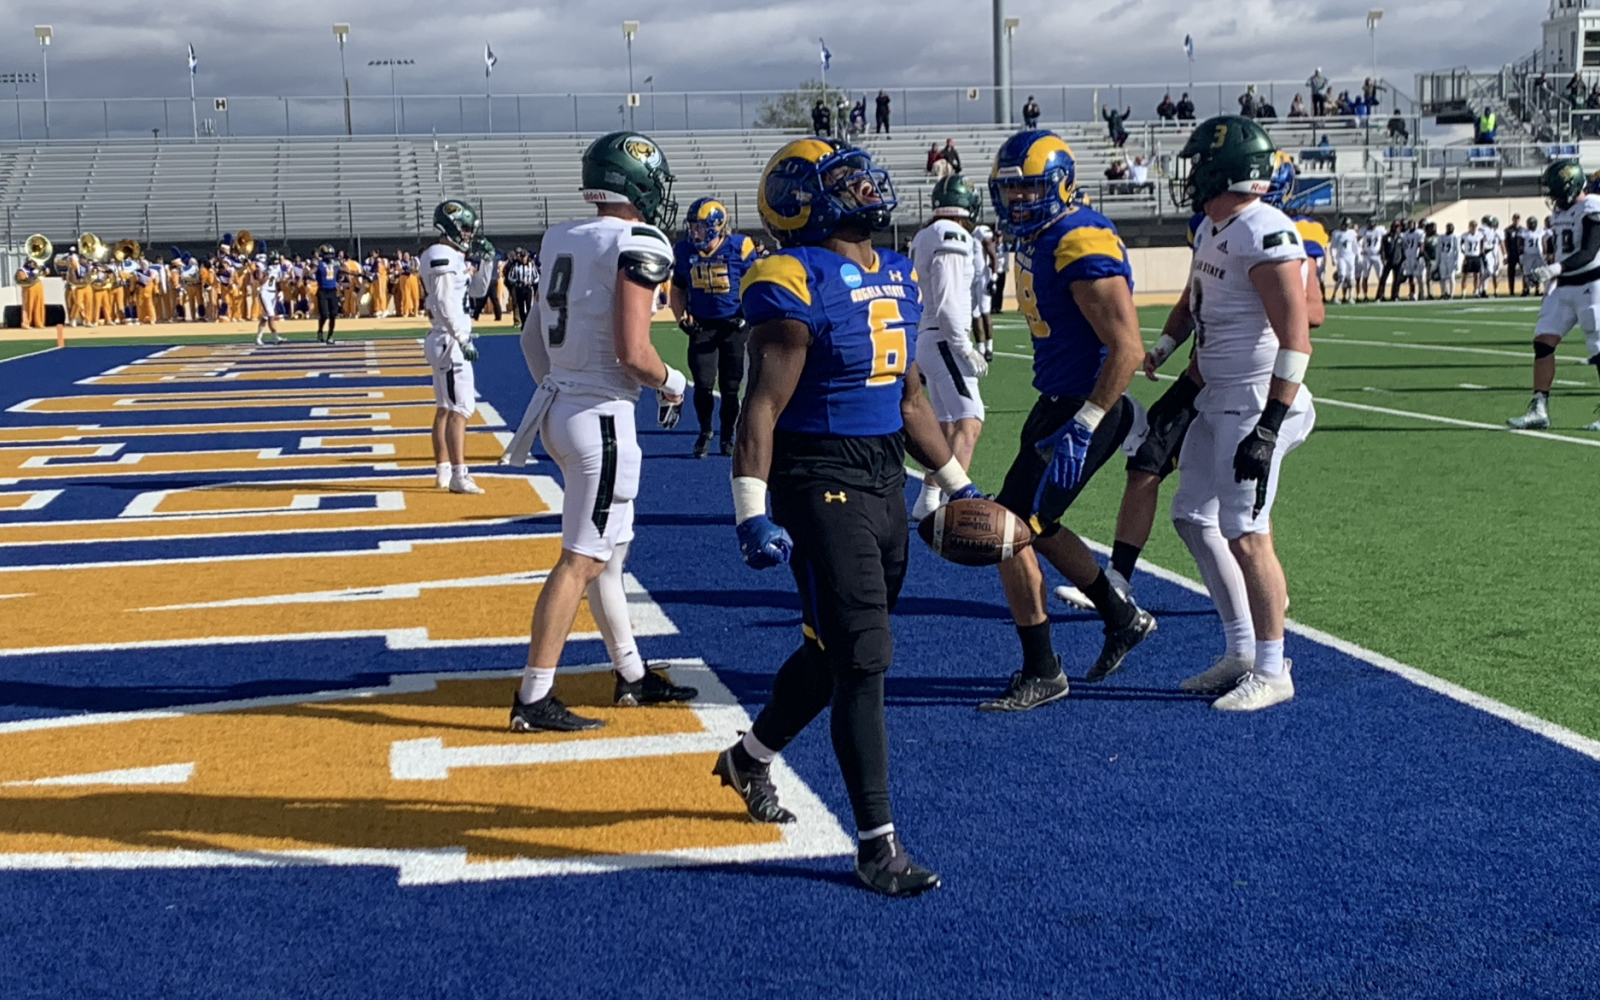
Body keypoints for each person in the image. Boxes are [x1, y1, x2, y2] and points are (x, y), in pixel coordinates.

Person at [718, 136, 975, 897]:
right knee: (864, 657)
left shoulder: (894, 271)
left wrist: (959, 485)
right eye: (847, 181)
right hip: (815, 477)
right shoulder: (792, 275)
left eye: (864, 177)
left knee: (835, 651)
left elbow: (911, 399)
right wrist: (750, 514)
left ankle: (749, 758)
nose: (868, 189)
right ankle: (876, 845)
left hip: (881, 475)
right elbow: (759, 406)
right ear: (804, 197)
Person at [501, 131, 697, 732]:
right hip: (602, 420)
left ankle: (632, 677)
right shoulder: (639, 240)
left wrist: (560, 386)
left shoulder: (562, 236)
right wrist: (674, 381)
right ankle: (533, 698)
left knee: (607, 557)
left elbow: (531, 339)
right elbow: (635, 352)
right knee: (582, 559)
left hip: (563, 407)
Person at [975, 129, 1151, 712]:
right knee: (1037, 523)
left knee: (1010, 529)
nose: (1018, 202)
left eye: (1030, 190)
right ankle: (1120, 614)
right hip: (1057, 398)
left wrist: (1088, 420)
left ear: (1062, 185)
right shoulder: (1041, 236)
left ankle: (1043, 667)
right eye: (1011, 191)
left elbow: (1127, 347)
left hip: (1085, 405)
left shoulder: (1079, 240)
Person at [1154, 115, 1316, 710]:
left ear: (1225, 171)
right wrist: (1170, 352)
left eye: (1199, 164)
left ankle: (1274, 670)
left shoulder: (1265, 229)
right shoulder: (1214, 227)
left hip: (1254, 401)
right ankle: (1242, 647)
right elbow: (1196, 297)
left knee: (1247, 534)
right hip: (1215, 394)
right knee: (1193, 516)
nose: (1191, 175)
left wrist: (1269, 427)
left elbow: (1297, 339)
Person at [908, 173, 988, 522]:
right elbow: (949, 299)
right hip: (942, 337)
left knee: (947, 424)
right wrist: (963, 345)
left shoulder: (930, 233)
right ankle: (957, 507)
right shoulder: (952, 234)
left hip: (929, 336)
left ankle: (927, 500)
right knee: (970, 421)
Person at [1508, 160, 1600, 431]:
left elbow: (1589, 251)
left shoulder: (1592, 206)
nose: (1554, 199)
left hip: (1591, 286)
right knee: (1543, 343)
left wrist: (1554, 269)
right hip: (1563, 288)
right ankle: (1539, 408)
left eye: (1558, 192)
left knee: (1598, 349)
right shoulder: (1562, 211)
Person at [670, 197, 758, 458]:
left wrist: (748, 315)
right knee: (703, 385)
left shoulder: (739, 247)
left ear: (716, 226)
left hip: (733, 325)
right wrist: (680, 318)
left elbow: (756, 284)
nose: (694, 231)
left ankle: (728, 434)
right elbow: (678, 288)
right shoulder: (686, 250)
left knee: (731, 387)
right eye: (692, 226)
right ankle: (705, 430)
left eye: (699, 226)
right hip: (703, 326)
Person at [418, 201, 492, 496]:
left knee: (446, 409)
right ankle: (459, 475)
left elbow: (475, 292)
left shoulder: (449, 255)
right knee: (460, 409)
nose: (468, 234)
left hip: (444, 338)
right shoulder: (441, 255)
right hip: (449, 339)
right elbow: (445, 303)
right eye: (464, 228)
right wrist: (461, 338)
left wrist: (488, 261)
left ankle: (443, 471)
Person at [253, 253, 284, 346]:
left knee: (265, 318)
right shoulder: (263, 268)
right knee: (271, 315)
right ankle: (276, 337)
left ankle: (258, 338)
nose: (275, 264)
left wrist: (279, 291)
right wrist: (267, 274)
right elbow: (261, 281)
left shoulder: (278, 267)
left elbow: (278, 280)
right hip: (265, 292)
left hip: (273, 293)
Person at [313, 245, 341, 343]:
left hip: (332, 291)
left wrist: (357, 274)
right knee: (324, 315)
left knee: (333, 314)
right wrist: (309, 273)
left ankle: (330, 335)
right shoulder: (319, 263)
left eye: (330, 254)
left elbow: (341, 271)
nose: (329, 256)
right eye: (327, 254)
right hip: (322, 291)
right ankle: (320, 331)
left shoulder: (336, 263)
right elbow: (313, 270)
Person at [1329, 218, 1358, 304]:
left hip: (1350, 257)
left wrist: (1357, 255)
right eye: (1345, 225)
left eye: (1348, 225)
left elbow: (1355, 245)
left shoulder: (1352, 233)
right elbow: (1333, 247)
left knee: (1351, 277)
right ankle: (1334, 296)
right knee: (1341, 276)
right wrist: (1333, 258)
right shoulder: (1336, 233)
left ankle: (1351, 297)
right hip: (1341, 256)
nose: (1346, 227)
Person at [13, 257, 45, 329]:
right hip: (29, 289)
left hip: (38, 288)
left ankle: (38, 322)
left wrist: (43, 269)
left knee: (38, 305)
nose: (32, 264)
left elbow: (46, 273)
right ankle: (26, 323)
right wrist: (34, 274)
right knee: (28, 306)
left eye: (34, 262)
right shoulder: (22, 270)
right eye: (31, 262)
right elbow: (22, 277)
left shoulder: (37, 269)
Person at [1519, 217, 1547, 297]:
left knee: (1537, 272)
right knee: (1526, 273)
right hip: (1527, 254)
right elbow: (1520, 244)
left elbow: (1543, 242)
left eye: (1533, 223)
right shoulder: (1524, 232)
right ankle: (1525, 289)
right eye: (1530, 223)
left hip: (1538, 254)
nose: (1532, 225)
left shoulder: (1540, 232)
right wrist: (1521, 254)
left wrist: (1544, 253)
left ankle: (1537, 289)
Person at [1460, 218, 1485, 297]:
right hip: (1468, 256)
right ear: (1469, 227)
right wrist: (1464, 252)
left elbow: (1482, 244)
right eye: (1472, 226)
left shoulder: (1480, 235)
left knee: (1477, 275)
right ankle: (1463, 292)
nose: (1473, 228)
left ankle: (1476, 291)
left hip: (1476, 256)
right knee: (1465, 275)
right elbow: (1460, 245)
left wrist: (1482, 251)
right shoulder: (1465, 235)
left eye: (1475, 226)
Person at [1437, 222, 1461, 299]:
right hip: (1443, 258)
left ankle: (1451, 294)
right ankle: (1444, 292)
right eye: (1448, 227)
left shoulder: (1455, 237)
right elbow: (1438, 249)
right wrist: (1438, 261)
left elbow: (1457, 250)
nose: (1450, 229)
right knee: (1442, 277)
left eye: (1451, 228)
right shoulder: (1441, 237)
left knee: (1451, 277)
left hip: (1451, 259)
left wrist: (1457, 262)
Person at [1506, 214, 1526, 295]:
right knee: (1511, 273)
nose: (1516, 220)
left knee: (1524, 272)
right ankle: (1511, 291)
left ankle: (1525, 289)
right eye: (1515, 219)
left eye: (1517, 219)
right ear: (1512, 219)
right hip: (1512, 254)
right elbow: (1506, 243)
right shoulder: (1508, 230)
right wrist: (1506, 254)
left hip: (1521, 254)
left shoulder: (1523, 230)